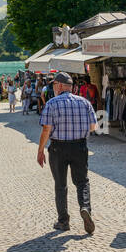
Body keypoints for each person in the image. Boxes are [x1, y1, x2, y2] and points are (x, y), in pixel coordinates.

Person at [36, 72, 97, 234]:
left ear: (61, 86)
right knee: (82, 182)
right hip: (80, 147)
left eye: (54, 85)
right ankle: (85, 208)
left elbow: (46, 129)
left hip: (58, 148)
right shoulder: (84, 102)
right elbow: (93, 127)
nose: (53, 88)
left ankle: (63, 221)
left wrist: (40, 150)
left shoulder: (52, 103)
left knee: (61, 185)